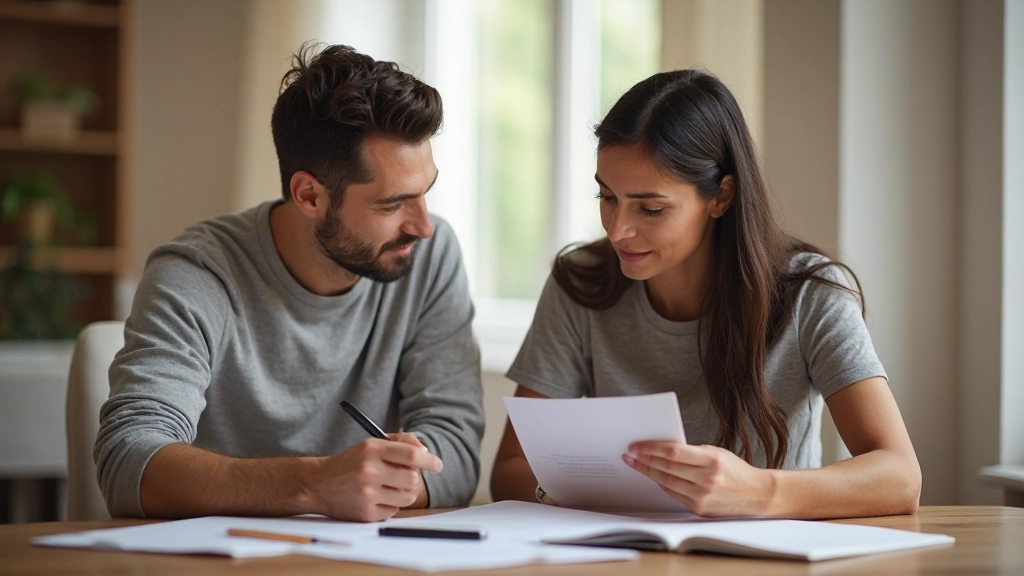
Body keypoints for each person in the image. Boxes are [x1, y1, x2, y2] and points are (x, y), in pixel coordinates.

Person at [491, 69, 921, 519]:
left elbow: (901, 478)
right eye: (607, 197)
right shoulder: (581, 285)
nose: (618, 230)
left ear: (721, 195)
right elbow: (510, 470)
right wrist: (581, 490)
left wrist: (761, 491)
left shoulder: (810, 295)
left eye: (651, 208)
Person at [94, 44, 484, 522]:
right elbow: (129, 461)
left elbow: (458, 455)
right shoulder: (196, 275)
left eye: (426, 193)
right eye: (392, 204)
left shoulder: (429, 255)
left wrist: (399, 476)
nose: (423, 225)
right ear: (309, 195)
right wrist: (314, 485)